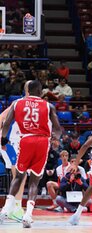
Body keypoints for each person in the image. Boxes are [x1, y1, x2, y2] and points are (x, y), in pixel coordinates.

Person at [0, 80, 62, 228]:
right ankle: (28, 215)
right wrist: (56, 139)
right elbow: (58, 129)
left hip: (26, 139)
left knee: (19, 176)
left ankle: (6, 210)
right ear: (41, 92)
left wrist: (3, 141)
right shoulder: (49, 106)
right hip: (42, 142)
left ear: (27, 90)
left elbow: (6, 123)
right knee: (35, 180)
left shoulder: (17, 103)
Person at [0, 81, 31, 222]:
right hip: (11, 140)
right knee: (19, 173)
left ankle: (13, 207)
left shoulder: (36, 104)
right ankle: (16, 208)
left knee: (19, 175)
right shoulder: (18, 102)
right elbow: (1, 118)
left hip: (21, 142)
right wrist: (3, 138)